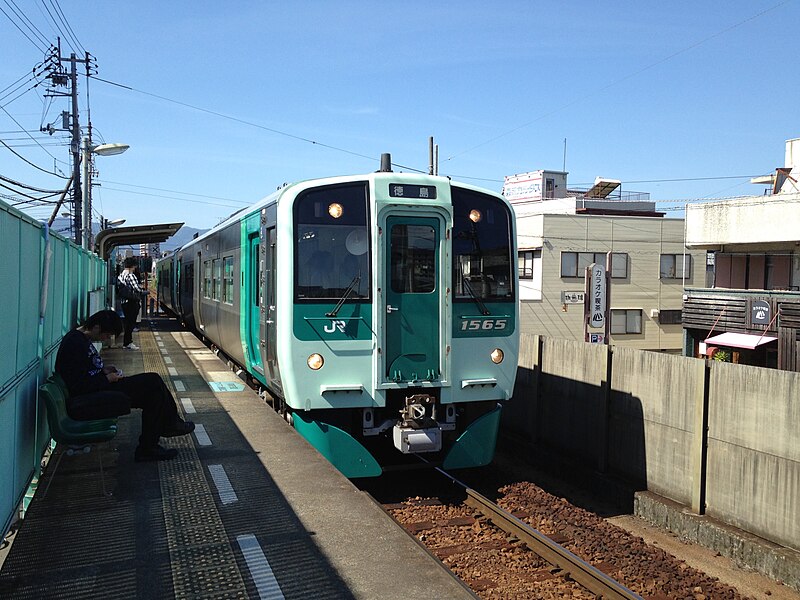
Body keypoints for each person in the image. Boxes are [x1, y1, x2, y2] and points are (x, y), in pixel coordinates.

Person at [55, 310, 195, 462]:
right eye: (106, 334)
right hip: (90, 399)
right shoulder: (75, 343)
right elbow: (77, 385)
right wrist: (107, 378)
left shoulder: (80, 339)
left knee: (154, 387)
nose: (106, 339)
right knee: (153, 385)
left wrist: (103, 370)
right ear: (96, 327)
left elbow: (83, 372)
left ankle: (159, 437)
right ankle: (163, 432)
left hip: (98, 390)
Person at [117, 257, 145, 350]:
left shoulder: (121, 275)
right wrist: (143, 291)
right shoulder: (130, 275)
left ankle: (127, 342)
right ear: (133, 266)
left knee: (127, 322)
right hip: (132, 302)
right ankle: (128, 343)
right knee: (131, 323)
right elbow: (136, 288)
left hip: (124, 302)